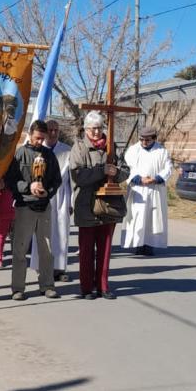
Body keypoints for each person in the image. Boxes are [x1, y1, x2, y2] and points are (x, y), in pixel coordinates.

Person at [68, 111, 128, 299]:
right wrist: (102, 171)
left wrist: (115, 173)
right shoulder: (79, 147)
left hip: (108, 206)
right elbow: (78, 175)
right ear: (86, 129)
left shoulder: (112, 147)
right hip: (86, 206)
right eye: (93, 128)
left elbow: (125, 171)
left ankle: (103, 286)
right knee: (86, 251)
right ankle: (86, 288)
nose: (96, 132)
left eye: (99, 127)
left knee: (105, 249)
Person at [4, 120, 62, 300]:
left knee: (46, 248)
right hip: (25, 206)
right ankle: (18, 288)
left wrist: (48, 192)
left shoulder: (48, 155)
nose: (39, 142)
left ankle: (47, 285)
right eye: (37, 138)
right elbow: (10, 181)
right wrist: (28, 187)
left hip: (43, 206)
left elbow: (56, 180)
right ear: (30, 134)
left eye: (42, 139)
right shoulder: (20, 154)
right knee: (20, 249)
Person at [30, 119, 74, 282]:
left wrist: (71, 202)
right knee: (42, 234)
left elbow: (71, 179)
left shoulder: (67, 150)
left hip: (62, 195)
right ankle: (42, 267)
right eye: (50, 130)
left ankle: (59, 268)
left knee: (61, 233)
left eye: (56, 130)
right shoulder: (38, 150)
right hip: (43, 195)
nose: (53, 133)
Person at [122, 127, 172, 256]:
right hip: (138, 189)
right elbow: (128, 168)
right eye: (142, 139)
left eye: (147, 140)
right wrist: (139, 179)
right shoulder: (133, 150)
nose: (144, 142)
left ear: (154, 139)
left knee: (152, 218)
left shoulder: (161, 151)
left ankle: (149, 245)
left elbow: (168, 168)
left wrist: (156, 179)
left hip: (155, 189)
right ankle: (138, 244)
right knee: (138, 216)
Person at [0, 182, 15, 269]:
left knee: (15, 235)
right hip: (2, 209)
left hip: (14, 206)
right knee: (1, 234)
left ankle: (16, 256)